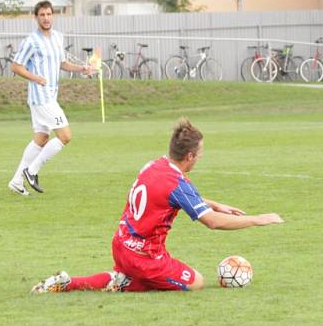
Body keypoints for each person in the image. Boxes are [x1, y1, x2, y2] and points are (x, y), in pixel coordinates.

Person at [30, 118, 284, 293]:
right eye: (201, 152)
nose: (202, 157)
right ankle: (112, 282)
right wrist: (257, 219)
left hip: (120, 244)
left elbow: (168, 195)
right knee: (196, 281)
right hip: (144, 256)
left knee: (132, 275)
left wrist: (215, 204)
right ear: (190, 156)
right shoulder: (177, 182)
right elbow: (212, 223)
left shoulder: (155, 165)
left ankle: (68, 282)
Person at [7, 0, 95, 196]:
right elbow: (15, 66)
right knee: (65, 136)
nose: (46, 18)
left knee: (41, 138)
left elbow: (62, 63)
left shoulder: (57, 37)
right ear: (36, 17)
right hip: (41, 97)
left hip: (51, 96)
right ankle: (31, 171)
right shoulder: (31, 41)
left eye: (49, 14)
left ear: (53, 16)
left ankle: (16, 181)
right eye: (42, 15)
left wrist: (82, 69)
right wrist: (34, 77)